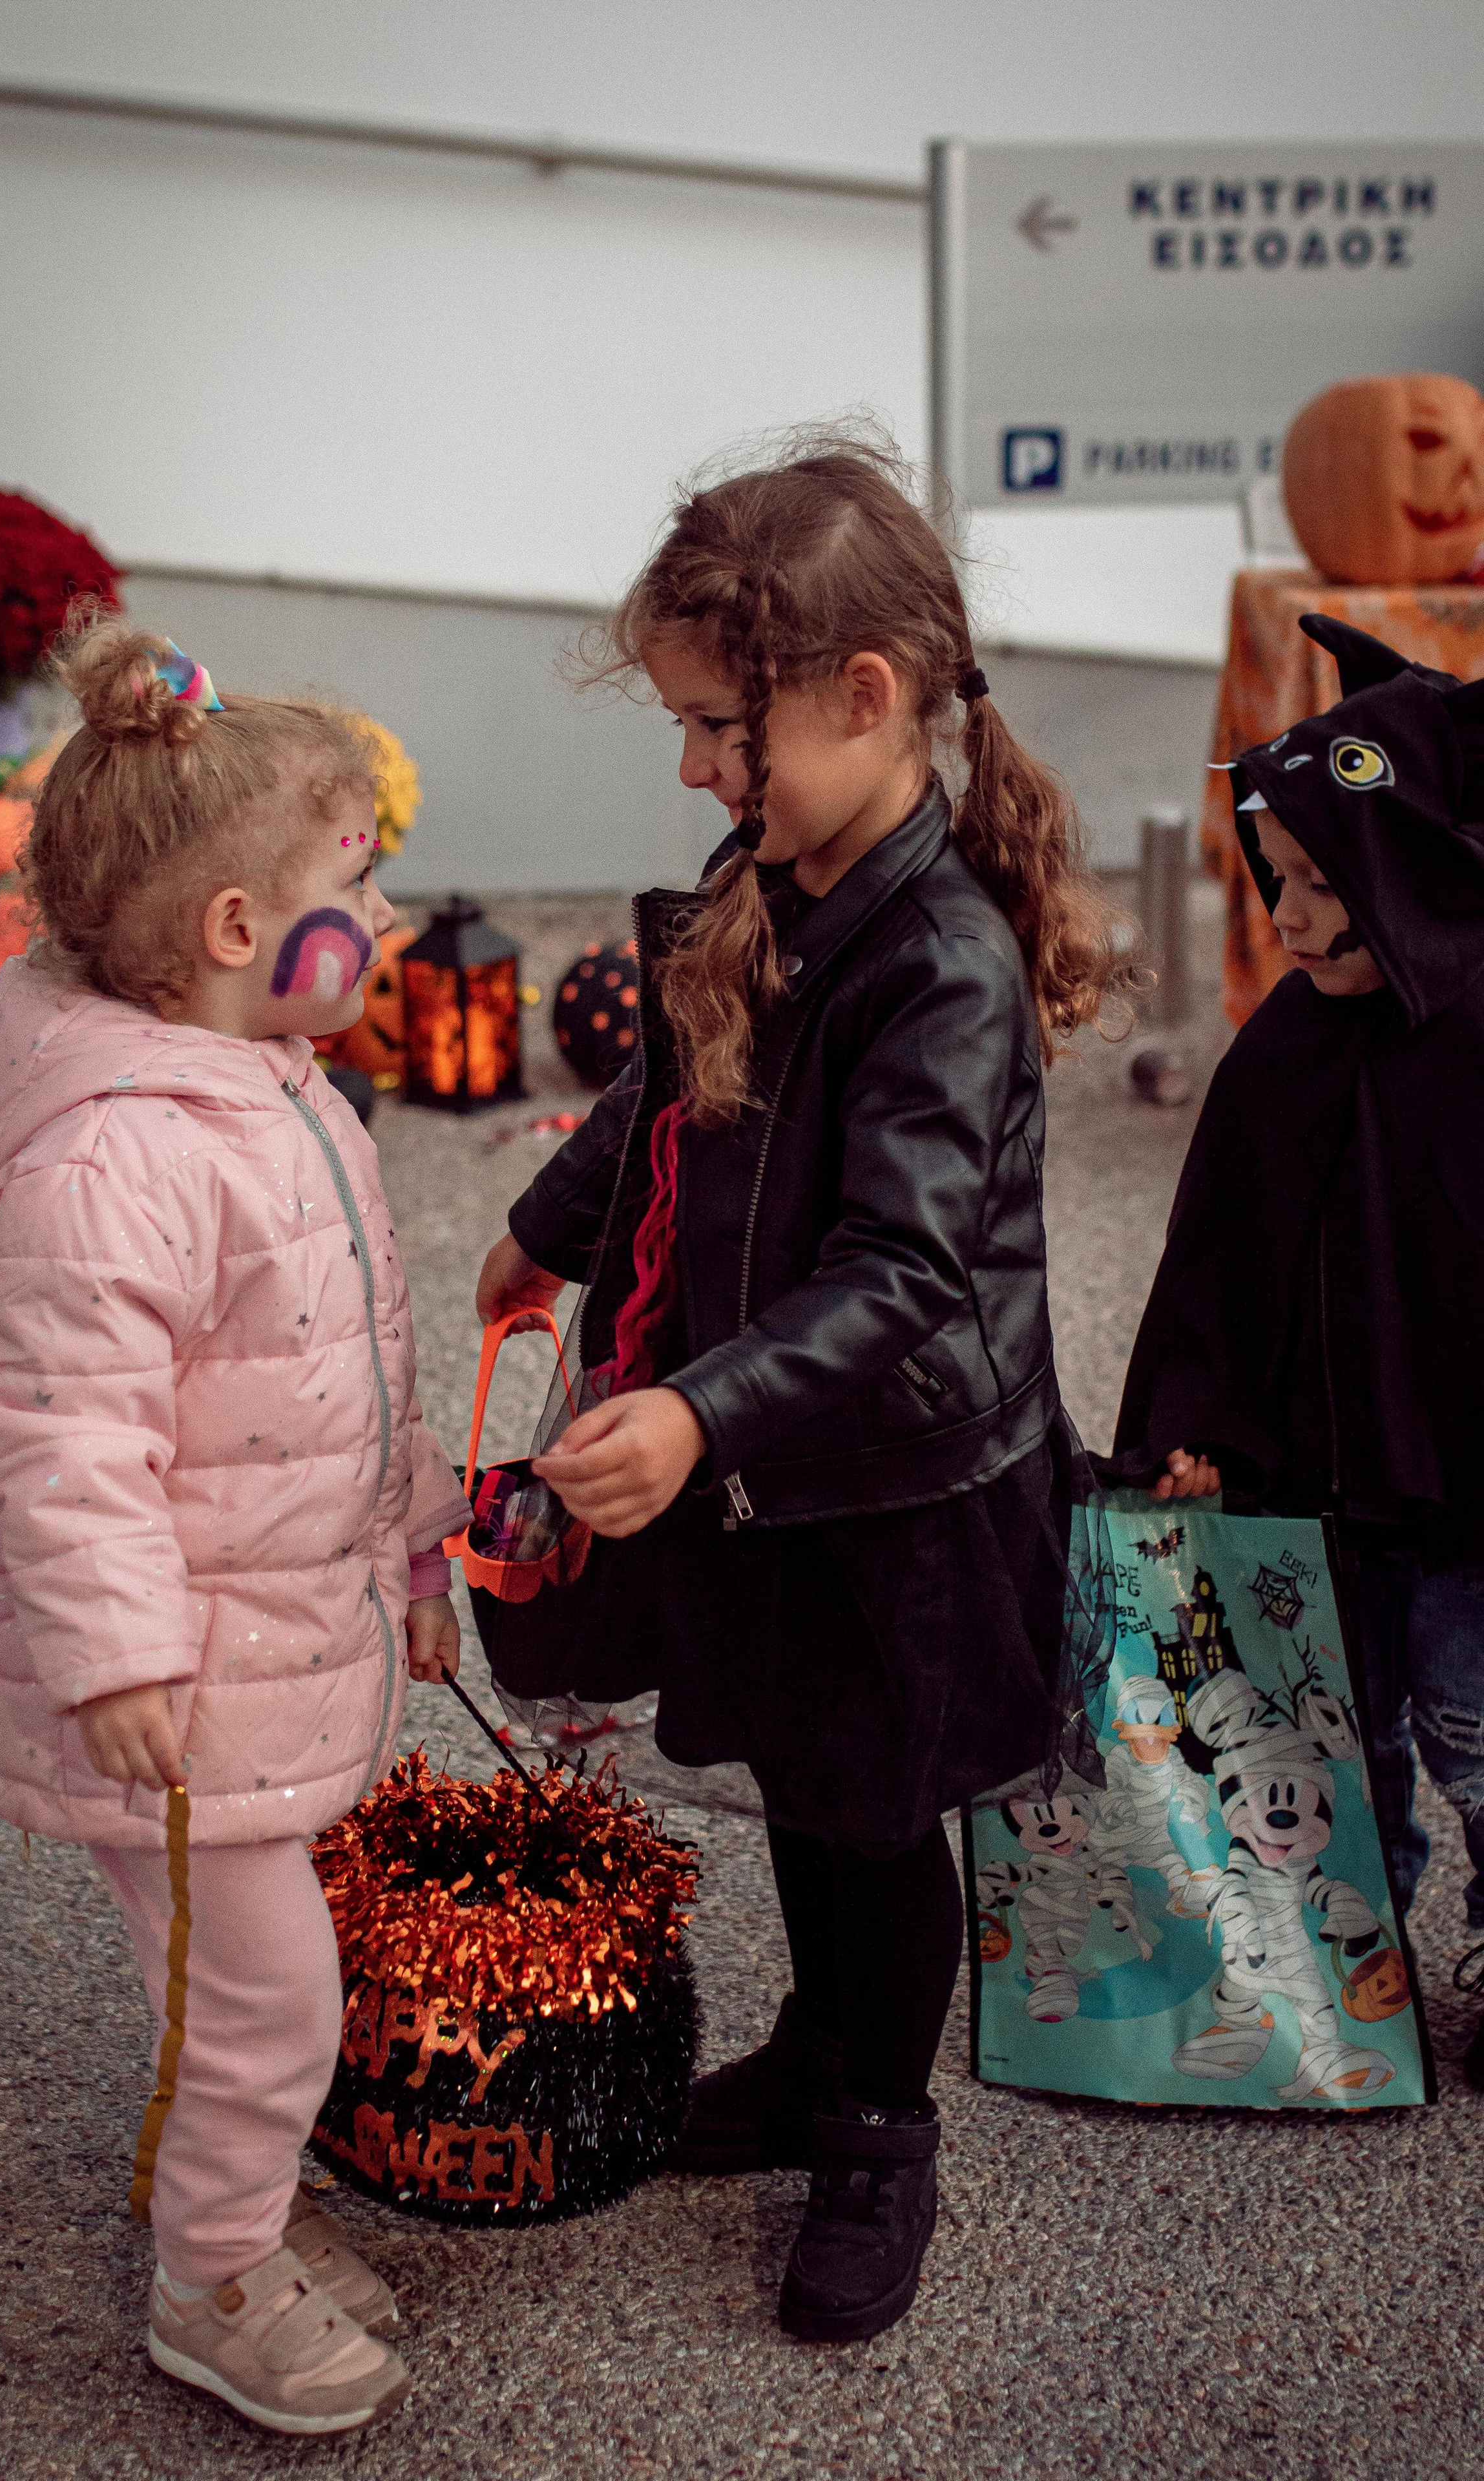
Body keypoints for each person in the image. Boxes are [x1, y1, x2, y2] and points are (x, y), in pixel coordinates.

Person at [475, 434, 1134, 2343]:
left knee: (874, 1811)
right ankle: (810, 2047)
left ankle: (874, 2127)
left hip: (899, 1491)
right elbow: (670, 1090)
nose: (691, 766)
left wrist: (693, 1413)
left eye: (714, 726)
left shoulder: (942, 960)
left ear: (862, 698)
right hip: (773, 1458)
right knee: (802, 1774)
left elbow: (914, 1275)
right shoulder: (772, 863)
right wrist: (553, 1220)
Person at [0, 620, 470, 2435]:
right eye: (359, 878)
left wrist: (413, 1546)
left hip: (265, 1628)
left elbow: (341, 1365)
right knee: (264, 1997)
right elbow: (58, 1429)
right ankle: (212, 2283)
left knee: (246, 1994)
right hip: (173, 1680)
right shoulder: (122, 1156)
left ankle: (234, 2204)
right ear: (240, 934)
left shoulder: (263, 1081)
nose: (386, 917)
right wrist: (119, 1652)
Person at [1113, 612, 1484, 2090]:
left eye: (1329, 889)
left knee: (1474, 1734)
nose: (1294, 921)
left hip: (1467, 1515)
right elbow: (1214, 1260)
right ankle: (1352, 1955)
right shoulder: (1281, 1050)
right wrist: (1182, 1424)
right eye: (1277, 884)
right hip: (1316, 1506)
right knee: (1336, 1747)